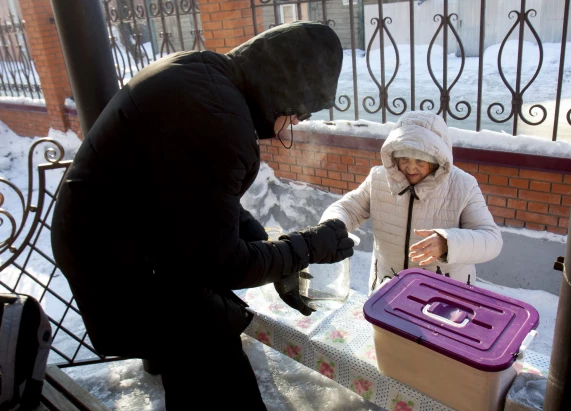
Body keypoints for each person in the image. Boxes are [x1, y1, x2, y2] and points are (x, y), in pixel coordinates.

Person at [50, 21, 354, 410]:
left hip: (122, 240)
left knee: (194, 348)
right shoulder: (217, 119)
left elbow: (201, 200)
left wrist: (273, 252)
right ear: (281, 93)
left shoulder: (203, 74)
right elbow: (220, 263)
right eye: (298, 113)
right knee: (212, 360)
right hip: (120, 263)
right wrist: (306, 249)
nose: (294, 124)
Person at [319, 110, 503, 294]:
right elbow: (348, 209)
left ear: (437, 160)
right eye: (404, 159)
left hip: (443, 296)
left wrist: (448, 243)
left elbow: (491, 239)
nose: (411, 167)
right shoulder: (378, 178)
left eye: (420, 161)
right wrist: (331, 228)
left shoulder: (463, 185)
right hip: (388, 289)